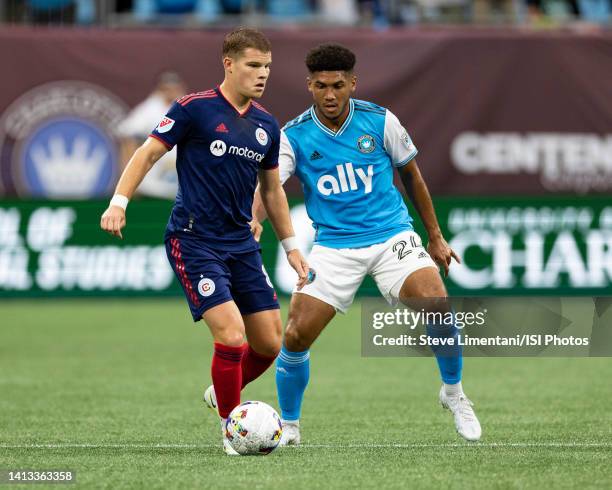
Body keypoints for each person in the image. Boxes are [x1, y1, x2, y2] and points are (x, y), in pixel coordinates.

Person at [250, 43, 482, 444]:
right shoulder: (294, 135)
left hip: (392, 236)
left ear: (352, 83)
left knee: (438, 306)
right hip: (334, 246)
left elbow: (412, 177)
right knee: (295, 335)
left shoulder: (380, 121)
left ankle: (454, 394)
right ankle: (289, 426)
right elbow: (271, 187)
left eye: (338, 85)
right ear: (309, 86)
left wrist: (435, 236)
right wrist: (253, 219)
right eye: (321, 86)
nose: (330, 95)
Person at [100, 27, 309, 455]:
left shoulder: (266, 125)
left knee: (270, 343)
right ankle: (232, 431)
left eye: (267, 66)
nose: (262, 74)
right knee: (231, 335)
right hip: (194, 240)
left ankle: (222, 390)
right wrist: (119, 201)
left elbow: (272, 192)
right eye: (253, 65)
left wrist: (291, 247)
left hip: (241, 244)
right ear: (229, 64)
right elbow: (147, 153)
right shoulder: (193, 109)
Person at [117, 71, 187, 199]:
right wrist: (128, 176)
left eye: (174, 87)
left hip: (182, 180)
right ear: (160, 89)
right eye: (167, 88)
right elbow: (128, 136)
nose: (171, 91)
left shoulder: (188, 105)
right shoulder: (150, 108)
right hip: (153, 183)